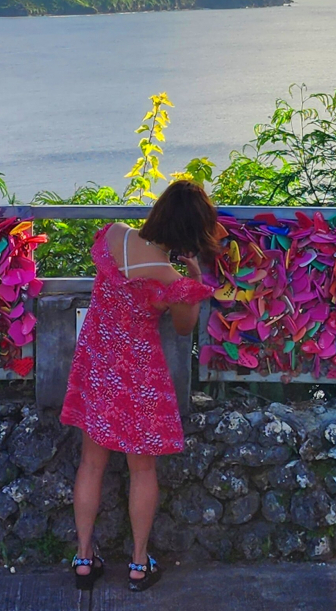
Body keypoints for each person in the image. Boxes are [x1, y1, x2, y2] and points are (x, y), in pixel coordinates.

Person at [61, 179, 219, 592]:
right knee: (142, 468)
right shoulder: (169, 277)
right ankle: (137, 564)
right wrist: (196, 275)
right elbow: (184, 328)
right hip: (139, 375)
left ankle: (82, 558)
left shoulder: (114, 236)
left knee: (90, 463)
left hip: (97, 363)